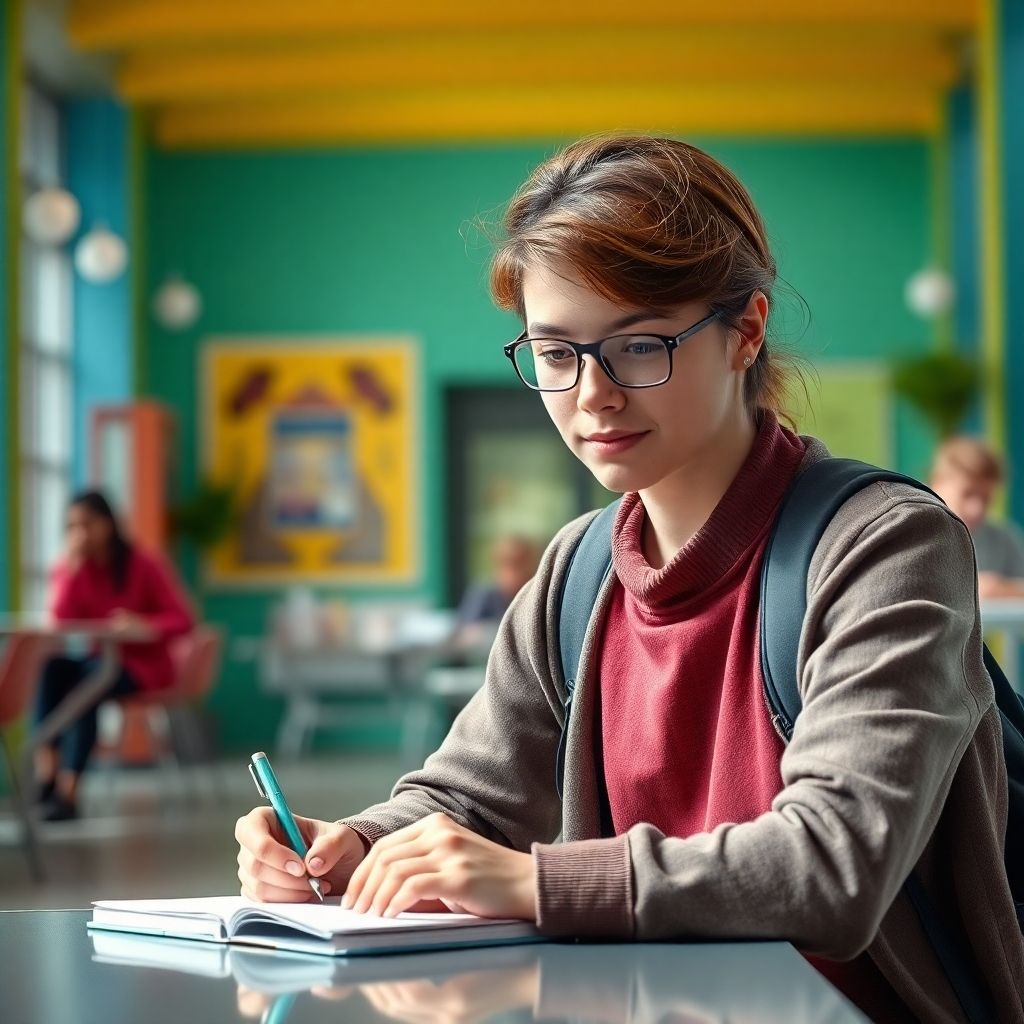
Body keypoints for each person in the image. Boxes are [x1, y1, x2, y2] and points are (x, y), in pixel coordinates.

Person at [236, 136, 1024, 1021]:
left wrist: (539, 881)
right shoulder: (576, 571)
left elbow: (834, 865)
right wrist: (358, 845)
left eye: (638, 346)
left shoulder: (886, 547)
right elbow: (467, 796)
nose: (593, 395)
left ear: (747, 332)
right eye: (555, 353)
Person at [33, 490, 195, 821]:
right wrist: (70, 571)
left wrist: (144, 625)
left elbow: (184, 619)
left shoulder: (144, 564)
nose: (79, 533)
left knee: (86, 687)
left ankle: (69, 792)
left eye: (87, 524)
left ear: (108, 524)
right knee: (53, 669)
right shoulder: (76, 568)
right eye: (71, 526)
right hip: (100, 664)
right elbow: (59, 623)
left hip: (144, 667)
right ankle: (46, 772)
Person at [930, 435, 1024, 598]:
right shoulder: (916, 532)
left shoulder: (1004, 539)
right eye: (967, 494)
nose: (977, 509)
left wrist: (1002, 589)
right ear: (937, 484)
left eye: (986, 498)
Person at [452, 534, 540, 651]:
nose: (512, 572)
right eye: (507, 564)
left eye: (518, 564)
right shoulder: (482, 594)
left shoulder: (535, 594)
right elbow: (464, 635)